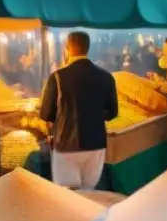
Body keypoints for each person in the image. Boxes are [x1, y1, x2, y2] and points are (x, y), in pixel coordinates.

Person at [39, 31, 118, 190]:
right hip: (96, 146)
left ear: (67, 49)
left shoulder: (57, 77)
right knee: (88, 193)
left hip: (67, 145)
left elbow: (45, 114)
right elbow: (112, 112)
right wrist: (92, 114)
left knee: (68, 197)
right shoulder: (106, 77)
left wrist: (63, 115)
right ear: (87, 48)